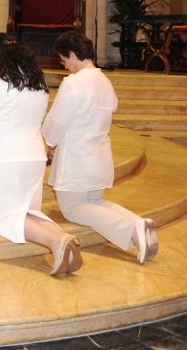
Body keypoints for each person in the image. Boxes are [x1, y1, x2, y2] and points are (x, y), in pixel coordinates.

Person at [0, 42, 82, 276]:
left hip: (3, 157)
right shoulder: (39, 82)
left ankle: (55, 243)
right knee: (26, 211)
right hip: (34, 155)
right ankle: (63, 237)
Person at [43, 31, 159, 264]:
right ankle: (139, 223)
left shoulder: (73, 83)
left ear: (72, 54)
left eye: (64, 60)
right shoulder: (104, 81)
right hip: (99, 157)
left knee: (73, 208)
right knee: (94, 202)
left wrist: (49, 143)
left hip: (76, 158)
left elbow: (57, 122)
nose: (65, 66)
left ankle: (133, 229)